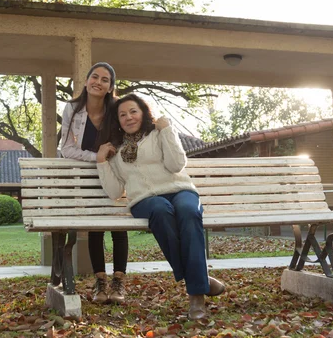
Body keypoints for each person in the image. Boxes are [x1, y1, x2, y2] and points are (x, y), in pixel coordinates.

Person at [95, 94, 226, 320]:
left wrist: (167, 130)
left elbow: (176, 164)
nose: (128, 117)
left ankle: (196, 296)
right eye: (122, 114)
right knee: (161, 210)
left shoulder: (158, 133)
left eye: (133, 111)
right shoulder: (116, 151)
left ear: (144, 112)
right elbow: (115, 192)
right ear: (117, 121)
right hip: (145, 199)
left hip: (180, 189)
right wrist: (102, 161)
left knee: (188, 212)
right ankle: (199, 283)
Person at [60, 62, 128, 304]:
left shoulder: (117, 109)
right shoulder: (72, 109)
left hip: (115, 173)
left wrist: (110, 157)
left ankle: (118, 282)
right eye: (95, 77)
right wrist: (95, 156)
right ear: (87, 81)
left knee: (119, 228)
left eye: (105, 79)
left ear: (111, 87)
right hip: (88, 175)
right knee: (95, 228)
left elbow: (128, 139)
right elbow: (66, 148)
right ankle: (101, 283)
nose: (98, 82)